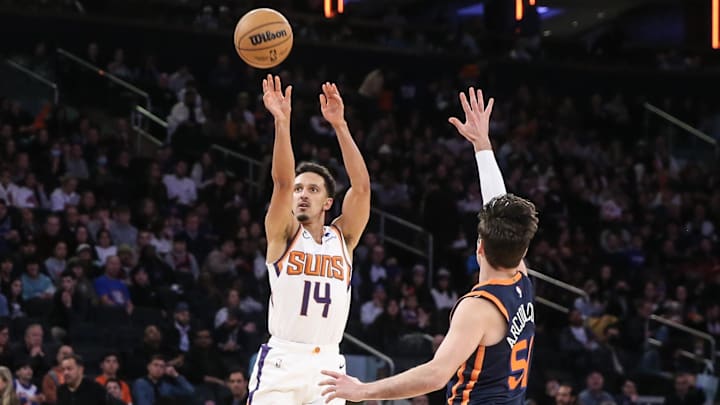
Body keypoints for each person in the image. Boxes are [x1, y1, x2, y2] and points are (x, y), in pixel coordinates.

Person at [319, 88, 538, 404]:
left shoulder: (478, 307)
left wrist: (362, 390)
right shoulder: (522, 283)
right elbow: (500, 213)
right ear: (523, 252)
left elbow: (436, 375)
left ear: (479, 248)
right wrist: (482, 145)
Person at [247, 75, 371, 404]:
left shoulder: (343, 238)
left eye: (313, 189)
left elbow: (361, 188)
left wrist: (340, 125)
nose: (302, 194)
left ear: (328, 202)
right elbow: (282, 182)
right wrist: (282, 121)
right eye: (300, 189)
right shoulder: (283, 233)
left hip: (329, 365)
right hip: (283, 361)